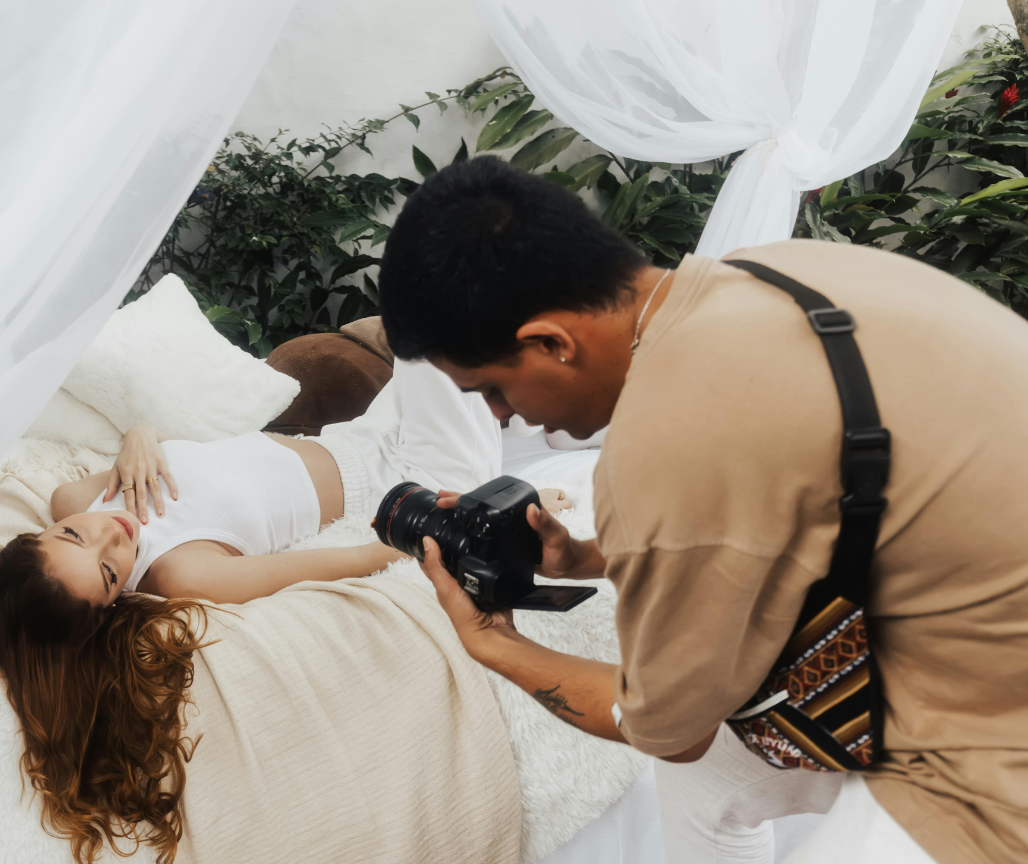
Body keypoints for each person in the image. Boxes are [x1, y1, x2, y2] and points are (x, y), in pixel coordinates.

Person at [375, 156, 1028, 864]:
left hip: (988, 747)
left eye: (492, 391)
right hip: (960, 607)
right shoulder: (775, 269)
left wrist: (491, 643)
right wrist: (587, 558)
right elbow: (790, 496)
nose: (510, 419)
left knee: (694, 754)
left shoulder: (664, 444)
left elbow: (666, 728)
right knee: (706, 787)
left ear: (551, 344)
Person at [0, 359, 567, 864]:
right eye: (111, 572)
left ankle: (551, 428)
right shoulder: (182, 570)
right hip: (406, 475)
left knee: (426, 325)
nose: (112, 535)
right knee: (447, 309)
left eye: (72, 537)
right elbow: (342, 559)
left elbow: (154, 442)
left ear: (43, 531)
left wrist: (136, 438)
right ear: (115, 602)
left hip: (355, 435)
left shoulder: (73, 495)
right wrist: (483, 515)